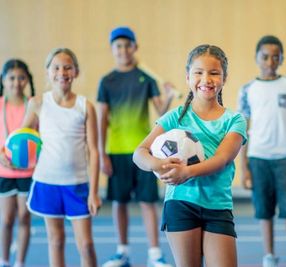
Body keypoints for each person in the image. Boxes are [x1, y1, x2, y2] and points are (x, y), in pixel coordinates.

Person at [133, 44, 247, 267]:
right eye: (198, 72)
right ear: (188, 77)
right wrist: (159, 164)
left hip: (217, 206)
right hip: (181, 203)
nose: (206, 79)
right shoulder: (175, 117)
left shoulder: (234, 120)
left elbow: (222, 159)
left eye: (214, 73)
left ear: (224, 78)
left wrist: (187, 172)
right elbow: (139, 153)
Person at [98, 26, 175, 267]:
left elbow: (161, 112)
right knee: (119, 202)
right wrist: (102, 154)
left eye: (127, 45)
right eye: (118, 46)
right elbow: (101, 120)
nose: (123, 50)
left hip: (144, 152)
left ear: (135, 48)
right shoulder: (107, 81)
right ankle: (122, 252)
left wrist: (169, 95)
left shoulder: (146, 78)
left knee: (147, 202)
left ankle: (155, 254)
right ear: (113, 50)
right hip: (117, 151)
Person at [237, 35, 286, 267]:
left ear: (281, 59)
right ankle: (269, 256)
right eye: (265, 57)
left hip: (285, 157)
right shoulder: (248, 90)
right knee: (264, 211)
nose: (270, 61)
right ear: (256, 58)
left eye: (275, 57)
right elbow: (243, 130)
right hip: (258, 158)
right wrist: (244, 169)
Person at [23, 48, 101, 267]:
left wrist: (94, 192)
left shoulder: (85, 106)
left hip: (77, 185)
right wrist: (5, 152)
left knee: (86, 245)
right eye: (56, 67)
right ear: (48, 72)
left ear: (75, 71)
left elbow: (93, 150)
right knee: (55, 241)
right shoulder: (37, 103)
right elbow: (21, 136)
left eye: (67, 67)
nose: (62, 72)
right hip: (47, 181)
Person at [0, 59, 35, 267]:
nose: (16, 82)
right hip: (4, 172)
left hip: (28, 171)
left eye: (21, 78)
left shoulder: (33, 105)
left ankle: (19, 262)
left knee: (24, 217)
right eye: (11, 78)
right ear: (4, 80)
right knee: (6, 219)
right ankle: (4, 261)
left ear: (27, 80)